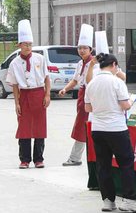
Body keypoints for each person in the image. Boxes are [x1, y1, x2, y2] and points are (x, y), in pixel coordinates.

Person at [86, 53, 136, 213]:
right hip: (116, 128)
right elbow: (125, 105)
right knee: (126, 163)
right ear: (113, 65)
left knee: (103, 164)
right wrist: (130, 101)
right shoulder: (116, 82)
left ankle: (108, 200)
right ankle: (129, 200)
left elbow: (88, 108)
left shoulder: (91, 83)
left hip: (97, 128)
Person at [7, 19, 50, 169]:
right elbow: (14, 85)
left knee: (39, 128)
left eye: (30, 44)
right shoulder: (14, 63)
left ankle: (39, 158)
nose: (28, 47)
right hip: (24, 95)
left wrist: (47, 95)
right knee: (24, 129)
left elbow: (46, 78)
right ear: (19, 45)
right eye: (25, 44)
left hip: (38, 94)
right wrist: (17, 103)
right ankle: (24, 159)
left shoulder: (40, 59)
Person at [58, 23, 95, 167]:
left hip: (92, 96)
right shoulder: (80, 63)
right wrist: (65, 89)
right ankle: (77, 157)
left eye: (85, 48)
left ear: (90, 49)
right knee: (82, 126)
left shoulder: (95, 63)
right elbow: (75, 80)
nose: (81, 50)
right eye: (79, 48)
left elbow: (92, 82)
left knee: (86, 127)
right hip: (82, 96)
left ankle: (76, 157)